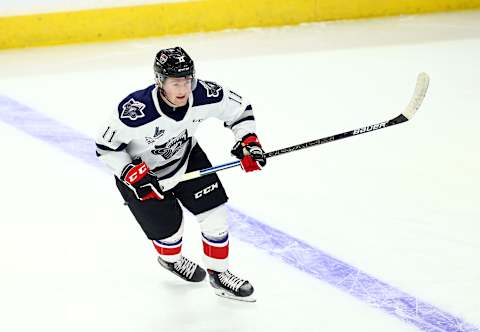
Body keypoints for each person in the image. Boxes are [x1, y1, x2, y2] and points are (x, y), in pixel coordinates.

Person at [95, 46, 266, 302]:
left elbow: (239, 110)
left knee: (215, 216)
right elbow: (105, 147)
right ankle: (171, 260)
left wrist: (248, 141)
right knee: (170, 236)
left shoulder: (204, 93)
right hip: (144, 178)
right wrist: (131, 174)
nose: (184, 89)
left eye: (187, 80)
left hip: (187, 159)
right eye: (176, 82)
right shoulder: (135, 111)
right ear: (160, 82)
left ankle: (220, 275)